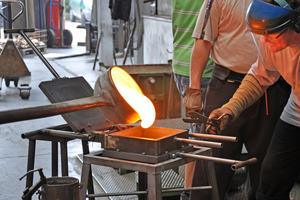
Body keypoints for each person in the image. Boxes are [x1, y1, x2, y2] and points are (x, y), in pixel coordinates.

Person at [183, 0, 291, 199]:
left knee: (267, 166)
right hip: (228, 85)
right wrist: (194, 90)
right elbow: (203, 42)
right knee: (212, 164)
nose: (262, 41)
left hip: (273, 90)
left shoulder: (283, 4)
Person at [171, 1, 213, 199]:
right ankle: (190, 193)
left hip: (181, 63)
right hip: (204, 65)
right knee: (201, 136)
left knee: (196, 131)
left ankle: (192, 189)